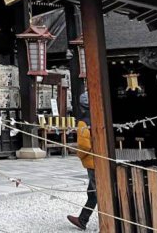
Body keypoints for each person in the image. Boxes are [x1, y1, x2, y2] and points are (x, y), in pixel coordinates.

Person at [67, 91, 96, 231]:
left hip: (92, 162)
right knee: (92, 192)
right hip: (102, 159)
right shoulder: (99, 117)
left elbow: (85, 146)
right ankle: (82, 219)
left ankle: (109, 220)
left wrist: (79, 155)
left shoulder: (84, 121)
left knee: (96, 192)